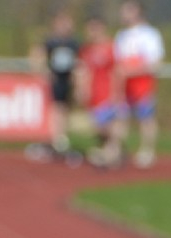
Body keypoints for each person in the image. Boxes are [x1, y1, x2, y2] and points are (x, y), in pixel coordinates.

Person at [112, 0, 164, 169]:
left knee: (146, 118)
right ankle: (116, 149)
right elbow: (118, 62)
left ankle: (147, 151)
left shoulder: (150, 34)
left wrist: (131, 70)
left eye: (127, 10)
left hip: (143, 83)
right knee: (120, 117)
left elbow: (155, 63)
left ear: (137, 11)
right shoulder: (121, 35)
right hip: (124, 85)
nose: (123, 14)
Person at [29, 11, 81, 160]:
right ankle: (56, 138)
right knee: (57, 107)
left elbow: (79, 62)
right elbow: (37, 54)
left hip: (68, 79)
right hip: (56, 79)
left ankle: (62, 137)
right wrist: (42, 71)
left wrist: (77, 79)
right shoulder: (51, 41)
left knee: (66, 108)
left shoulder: (73, 43)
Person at [77, 16, 120, 168]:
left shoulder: (110, 47)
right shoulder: (86, 49)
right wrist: (81, 88)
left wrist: (116, 92)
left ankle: (113, 152)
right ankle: (110, 152)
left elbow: (117, 71)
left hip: (106, 93)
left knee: (104, 126)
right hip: (93, 95)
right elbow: (83, 70)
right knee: (97, 126)